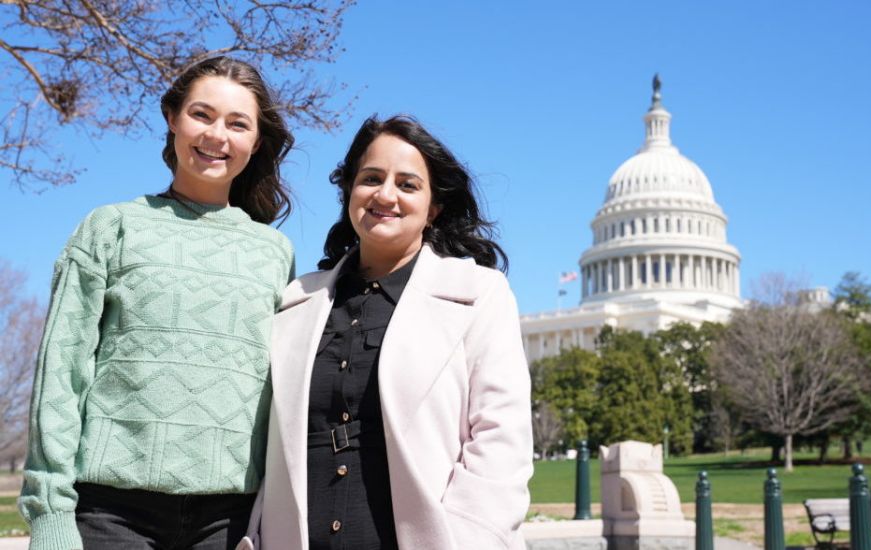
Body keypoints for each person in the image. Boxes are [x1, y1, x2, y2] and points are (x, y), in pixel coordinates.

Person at [18, 56, 296, 550]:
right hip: (111, 514)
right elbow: (62, 372)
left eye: (238, 124)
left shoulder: (275, 252)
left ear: (255, 142)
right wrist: (49, 514)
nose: (217, 135)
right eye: (202, 115)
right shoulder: (111, 227)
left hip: (230, 521)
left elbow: (280, 392)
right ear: (172, 118)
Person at [241, 115, 533, 550]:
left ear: (433, 207)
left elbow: (499, 436)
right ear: (349, 193)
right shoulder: (294, 301)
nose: (385, 195)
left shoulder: (478, 294)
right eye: (371, 178)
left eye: (408, 184)